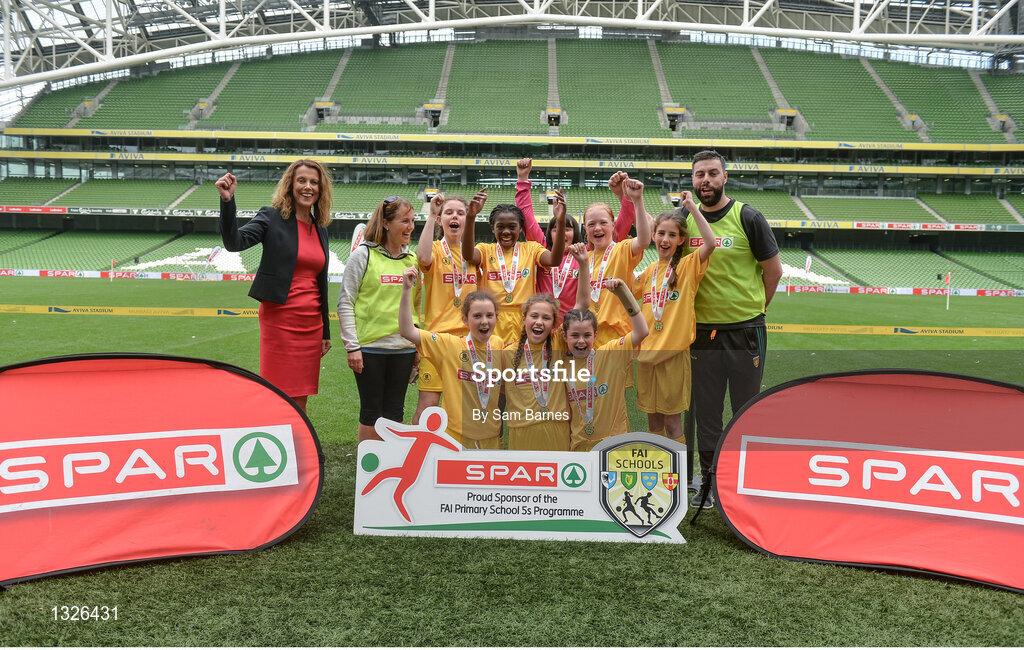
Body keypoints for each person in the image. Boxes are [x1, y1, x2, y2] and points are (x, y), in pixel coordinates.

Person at [685, 150, 783, 509]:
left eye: (712, 174)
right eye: (699, 175)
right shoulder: (686, 219)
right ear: (693, 180)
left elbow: (773, 272)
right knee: (707, 413)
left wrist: (757, 309)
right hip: (702, 335)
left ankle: (745, 482)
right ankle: (709, 485)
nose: (705, 181)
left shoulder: (748, 217)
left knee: (746, 410)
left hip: (745, 333)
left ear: (725, 177)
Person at [215, 160, 332, 414]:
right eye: (301, 180)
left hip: (311, 324)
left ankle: (297, 443)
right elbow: (235, 242)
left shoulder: (321, 228)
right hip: (280, 320)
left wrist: (326, 331)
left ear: (321, 189)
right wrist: (227, 202)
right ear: (290, 185)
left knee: (302, 392)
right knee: (276, 390)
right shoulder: (271, 217)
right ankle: (273, 445)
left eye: (314, 182)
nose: (308, 187)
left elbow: (320, 282)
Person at [633, 196, 716, 442]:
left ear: (681, 240)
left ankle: (675, 478)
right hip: (646, 356)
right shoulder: (649, 272)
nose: (665, 239)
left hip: (673, 356)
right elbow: (628, 292)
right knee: (653, 421)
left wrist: (691, 207)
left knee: (671, 423)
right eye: (660, 234)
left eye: (671, 235)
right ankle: (656, 476)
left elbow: (710, 243)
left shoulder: (689, 265)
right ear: (653, 236)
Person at [338, 194, 418, 442]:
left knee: (395, 411)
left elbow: (415, 306)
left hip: (403, 349)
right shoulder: (363, 255)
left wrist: (417, 346)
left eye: (413, 221)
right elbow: (345, 302)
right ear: (386, 223)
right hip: (370, 349)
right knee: (371, 412)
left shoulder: (412, 259)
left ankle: (392, 466)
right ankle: (369, 473)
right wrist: (353, 347)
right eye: (405, 221)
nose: (411, 227)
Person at [515, 160, 636, 318]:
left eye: (568, 229)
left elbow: (618, 230)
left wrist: (625, 197)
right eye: (556, 229)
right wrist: (522, 179)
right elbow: (528, 218)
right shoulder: (543, 253)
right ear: (548, 233)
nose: (562, 233)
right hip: (544, 327)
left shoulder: (585, 254)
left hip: (574, 329)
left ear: (577, 232)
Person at [503, 235, 592, 452]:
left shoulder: (559, 343)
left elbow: (582, 306)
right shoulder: (507, 353)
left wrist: (583, 264)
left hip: (557, 429)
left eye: (546, 318)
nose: (539, 322)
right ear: (523, 319)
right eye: (534, 316)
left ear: (554, 323)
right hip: (521, 431)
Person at [398, 273, 505, 449]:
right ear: (465, 319)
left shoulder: (499, 345)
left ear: (496, 318)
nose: (484, 321)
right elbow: (407, 331)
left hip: (490, 438)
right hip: (455, 438)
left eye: (489, 315)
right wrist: (406, 289)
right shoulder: (449, 345)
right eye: (477, 316)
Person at [412, 191, 485, 423]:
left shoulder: (476, 254)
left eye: (461, 213)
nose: (455, 217)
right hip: (436, 339)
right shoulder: (433, 248)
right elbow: (422, 259)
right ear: (442, 219)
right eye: (449, 213)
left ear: (468, 218)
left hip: (467, 342)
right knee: (428, 405)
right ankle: (416, 457)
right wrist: (431, 215)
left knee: (462, 407)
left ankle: (457, 458)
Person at [462, 191, 566, 342]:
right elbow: (468, 255)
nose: (506, 232)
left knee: (521, 363)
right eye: (500, 227)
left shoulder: (531, 249)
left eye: (512, 227)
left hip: (523, 320)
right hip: (493, 320)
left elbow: (554, 260)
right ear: (492, 228)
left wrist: (561, 222)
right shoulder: (485, 250)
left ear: (520, 228)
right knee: (494, 363)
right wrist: (470, 218)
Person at [562, 278, 648, 452]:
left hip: (614, 446)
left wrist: (624, 293)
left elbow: (642, 331)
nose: (581, 341)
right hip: (579, 448)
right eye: (575, 335)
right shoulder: (562, 366)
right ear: (564, 337)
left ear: (596, 335)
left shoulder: (611, 354)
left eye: (587, 335)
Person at [582, 178, 652, 349]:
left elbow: (643, 240)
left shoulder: (622, 250)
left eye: (603, 223)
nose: (597, 228)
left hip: (618, 336)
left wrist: (637, 200)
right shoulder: (585, 259)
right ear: (585, 229)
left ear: (613, 226)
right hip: (589, 337)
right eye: (591, 224)